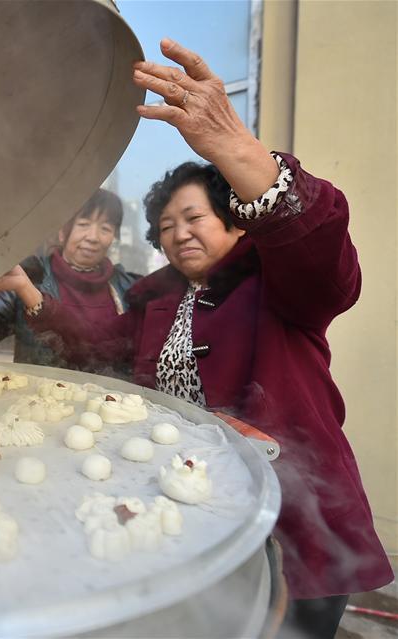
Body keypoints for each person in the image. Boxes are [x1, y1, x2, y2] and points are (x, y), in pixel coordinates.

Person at [20, 39, 392, 638]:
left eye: (194, 218)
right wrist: (29, 294)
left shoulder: (278, 281)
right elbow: (99, 345)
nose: (179, 234)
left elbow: (328, 264)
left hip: (299, 533)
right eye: (167, 227)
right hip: (194, 518)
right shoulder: (157, 297)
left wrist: (236, 150)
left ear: (235, 220)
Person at [0, 188, 140, 371]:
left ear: (114, 237)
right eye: (83, 224)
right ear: (62, 232)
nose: (93, 237)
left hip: (107, 404)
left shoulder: (128, 289)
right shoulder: (33, 276)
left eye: (105, 228)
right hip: (37, 402)